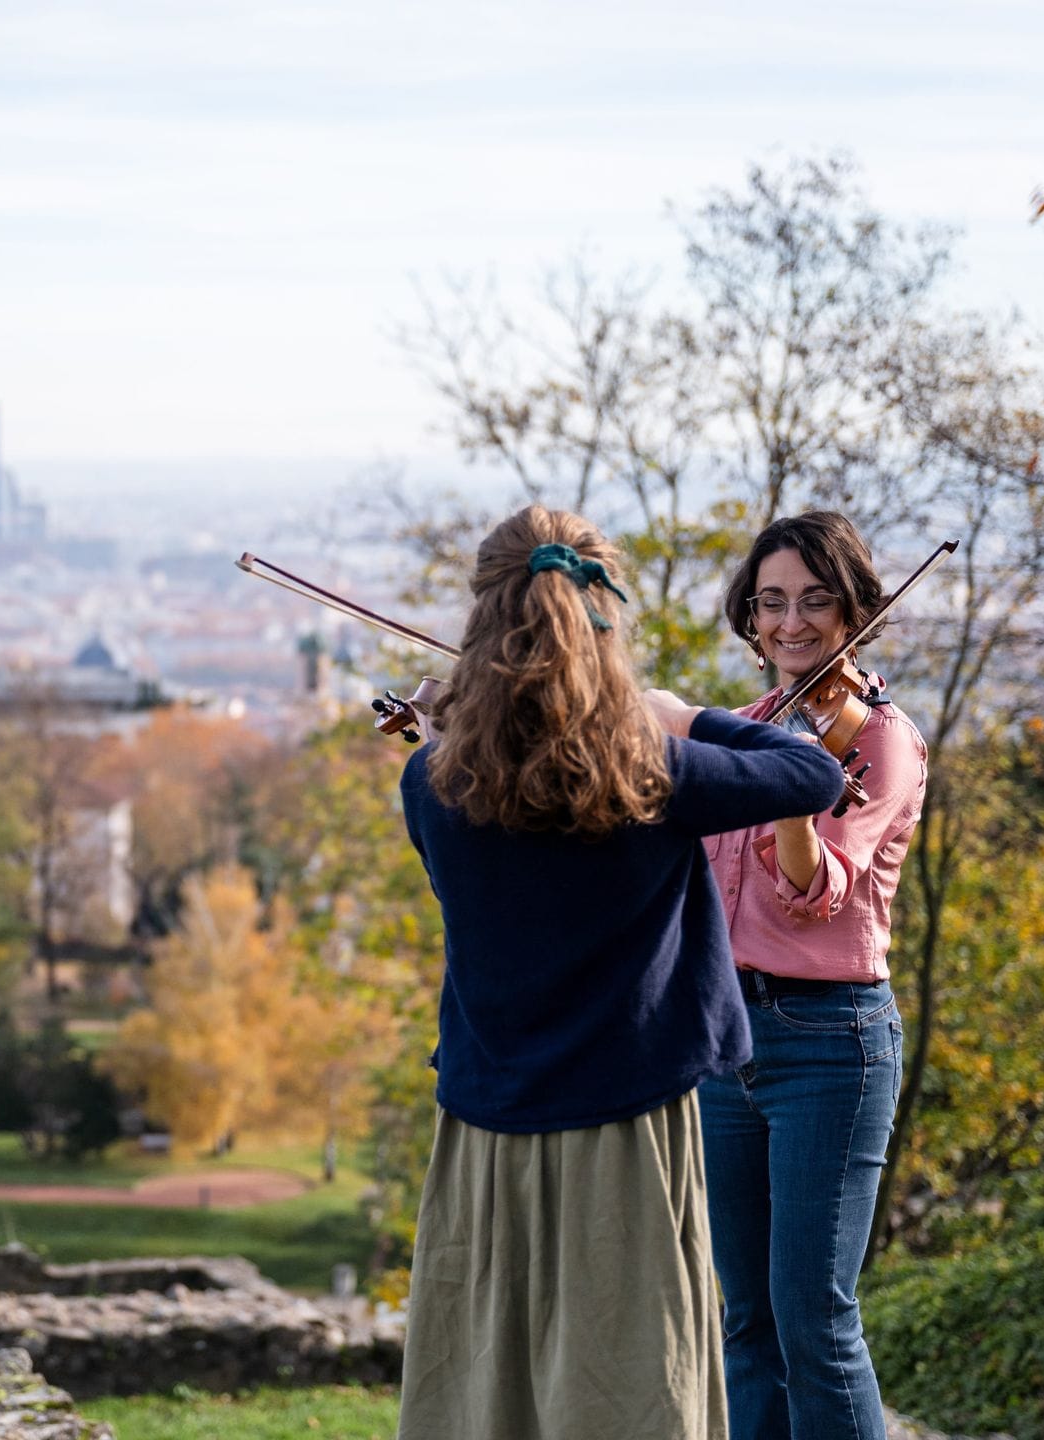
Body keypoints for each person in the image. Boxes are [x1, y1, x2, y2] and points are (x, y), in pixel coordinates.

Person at [394, 504, 846, 1440]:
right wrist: (679, 717)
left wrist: (466, 723)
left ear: (484, 624)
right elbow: (810, 774)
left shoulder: (431, 779)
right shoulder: (652, 769)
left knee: (490, 1379)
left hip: (484, 1128)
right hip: (626, 1129)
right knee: (626, 1384)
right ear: (604, 624)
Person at [696, 511, 930, 1440]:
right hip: (729, 1042)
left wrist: (798, 787)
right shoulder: (749, 730)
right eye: (772, 602)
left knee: (815, 1323)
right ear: (750, 618)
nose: (791, 623)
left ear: (855, 611)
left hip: (830, 1046)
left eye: (815, 602)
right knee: (745, 1321)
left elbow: (816, 895)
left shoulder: (879, 742)